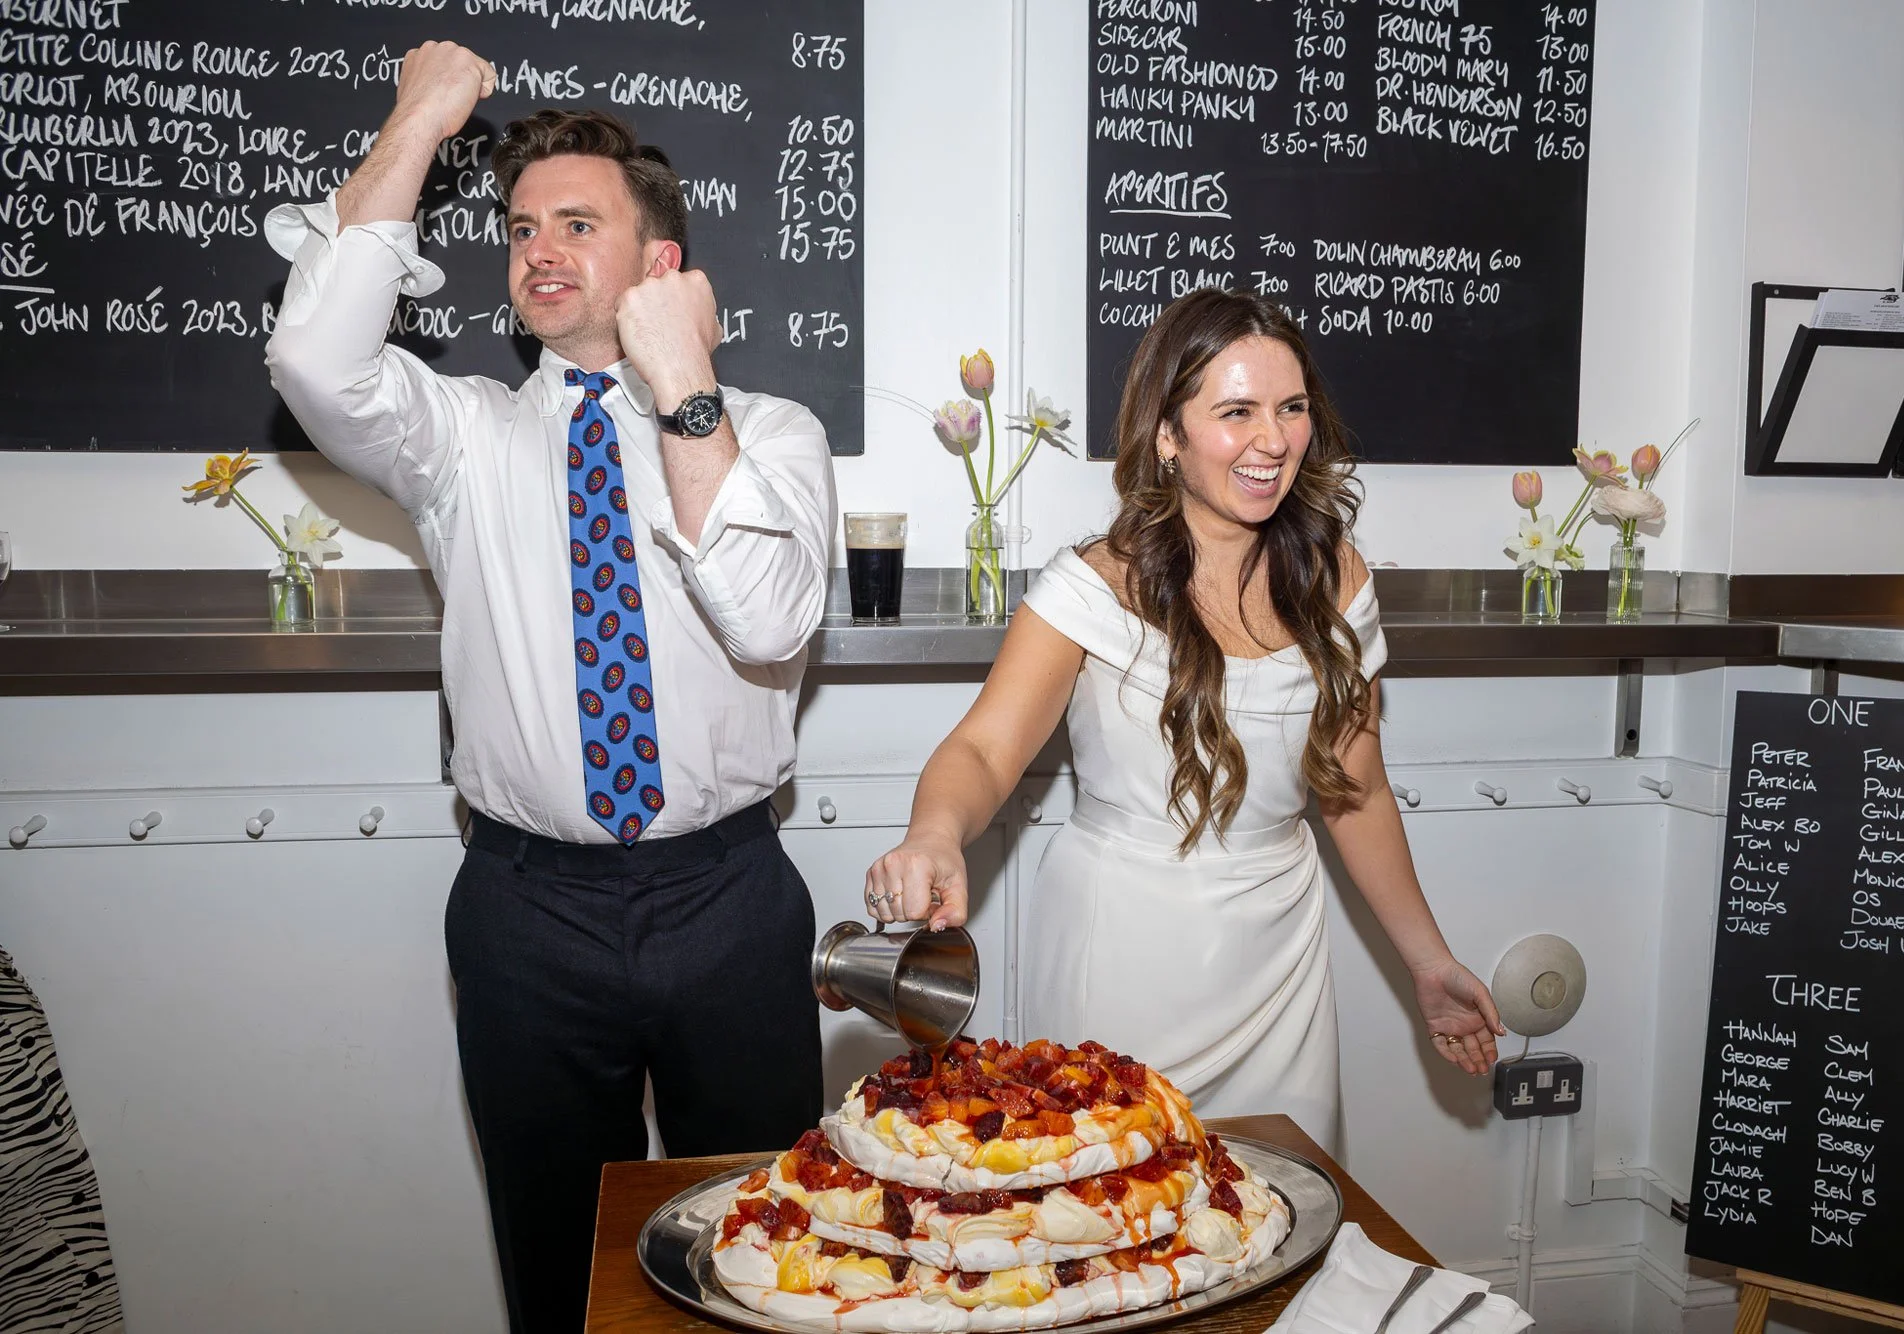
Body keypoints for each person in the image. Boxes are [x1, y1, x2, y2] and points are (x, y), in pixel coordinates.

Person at [263, 42, 833, 1332]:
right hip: (528, 910)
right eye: (521, 228)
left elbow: (765, 612)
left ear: (658, 262)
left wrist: (681, 381)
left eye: (579, 223)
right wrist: (421, 116)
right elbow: (311, 358)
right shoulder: (461, 432)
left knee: (769, 1259)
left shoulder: (772, 432)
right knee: (558, 1267)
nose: (538, 249)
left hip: (728, 897)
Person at [862, 289, 1502, 1152]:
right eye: (1235, 411)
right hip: (1121, 951)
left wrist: (1429, 964)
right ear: (1168, 434)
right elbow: (982, 747)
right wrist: (934, 834)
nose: (1272, 441)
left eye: (1291, 409)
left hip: (1280, 961)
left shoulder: (1337, 578)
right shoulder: (1092, 583)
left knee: (1281, 1213)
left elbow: (1358, 792)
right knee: (1108, 1208)